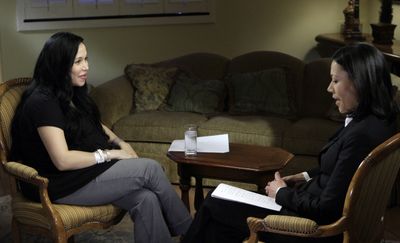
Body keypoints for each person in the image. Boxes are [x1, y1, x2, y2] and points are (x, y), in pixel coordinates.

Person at [182, 42, 399, 243]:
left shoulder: (359, 136)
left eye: (335, 80)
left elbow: (327, 208)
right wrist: (303, 176)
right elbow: (341, 169)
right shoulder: (382, 121)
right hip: (312, 207)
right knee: (219, 210)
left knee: (214, 203)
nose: (329, 89)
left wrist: (281, 193)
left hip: (315, 228)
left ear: (359, 81)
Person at [10, 32, 192, 243]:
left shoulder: (68, 93)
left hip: (81, 174)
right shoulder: (43, 102)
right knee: (150, 169)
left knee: (147, 198)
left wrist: (121, 143)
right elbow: (62, 160)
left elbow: (96, 126)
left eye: (86, 59)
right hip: (56, 184)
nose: (86, 66)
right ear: (58, 65)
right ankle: (193, 234)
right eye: (78, 61)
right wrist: (111, 154)